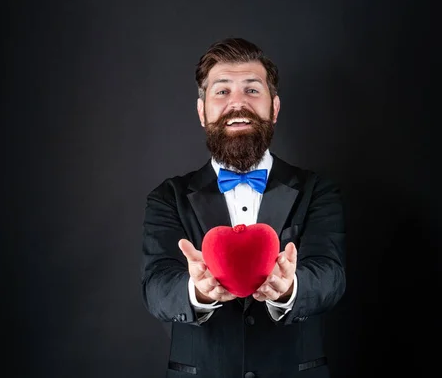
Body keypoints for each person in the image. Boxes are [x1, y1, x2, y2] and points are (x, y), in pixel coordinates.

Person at [141, 37, 346, 378]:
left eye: (252, 90)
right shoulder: (166, 197)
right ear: (202, 111)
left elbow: (331, 276)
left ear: (274, 108)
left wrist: (290, 288)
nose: (238, 103)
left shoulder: (318, 190)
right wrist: (198, 292)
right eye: (222, 91)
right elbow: (155, 288)